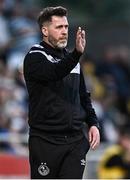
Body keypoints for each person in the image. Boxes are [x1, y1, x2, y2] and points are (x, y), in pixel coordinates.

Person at [23, 6, 100, 179]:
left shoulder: (72, 60)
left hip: (74, 141)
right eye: (59, 27)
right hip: (45, 142)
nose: (65, 31)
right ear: (44, 30)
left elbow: (83, 96)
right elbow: (54, 72)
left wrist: (93, 123)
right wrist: (76, 55)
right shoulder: (35, 56)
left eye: (66, 27)